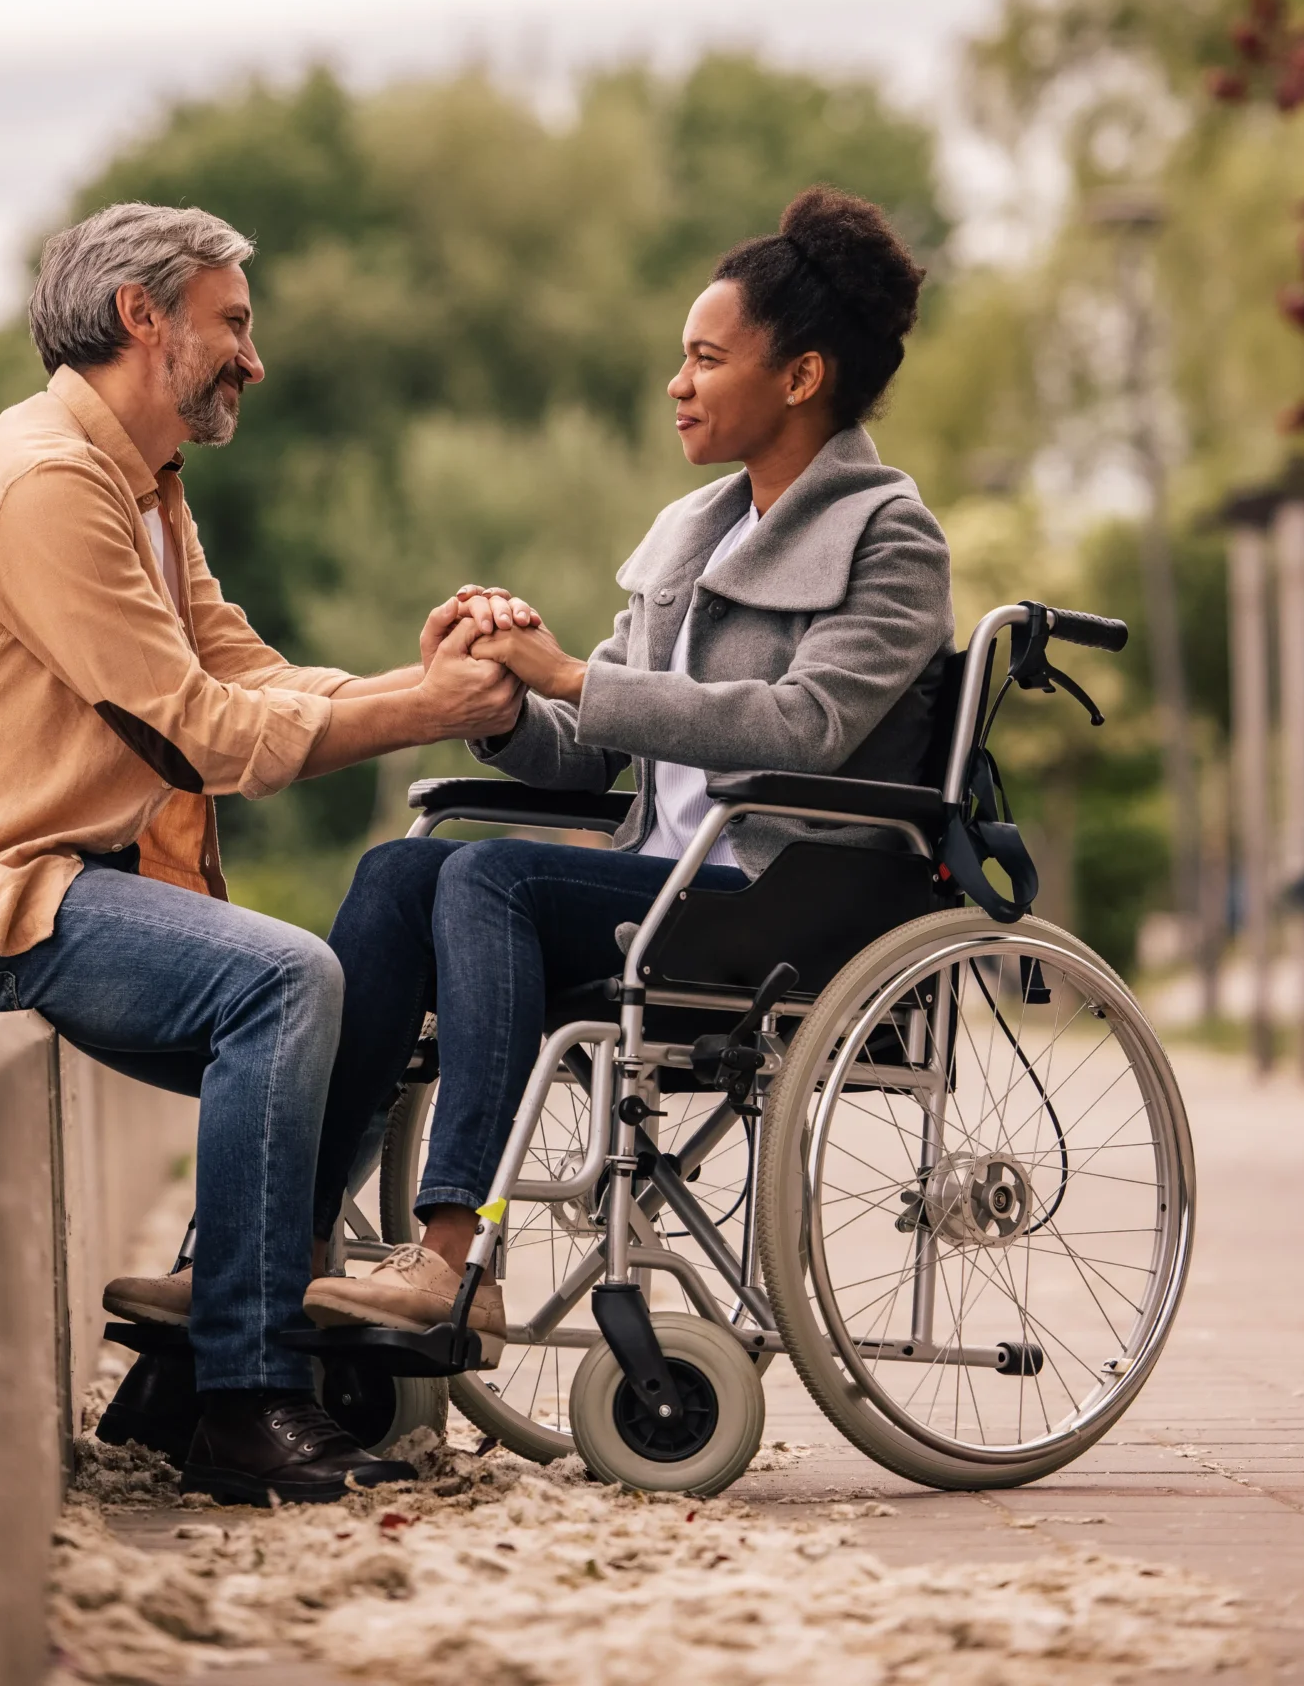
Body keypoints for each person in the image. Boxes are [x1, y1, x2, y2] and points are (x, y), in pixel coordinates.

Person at [0, 201, 522, 1506]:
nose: (253, 360)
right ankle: (246, 1399)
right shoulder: (45, 484)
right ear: (143, 318)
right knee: (282, 984)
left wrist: (424, 678)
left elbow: (253, 673)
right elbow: (207, 734)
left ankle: (172, 1376)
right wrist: (427, 710)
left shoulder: (143, 487)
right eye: (234, 324)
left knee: (364, 969)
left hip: (70, 887)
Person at [303, 185, 953, 1353]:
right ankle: (278, 1243)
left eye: (706, 358)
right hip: (661, 886)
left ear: (799, 377)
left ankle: (453, 1260)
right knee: (403, 876)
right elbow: (585, 745)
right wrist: (491, 689)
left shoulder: (890, 539)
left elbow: (805, 726)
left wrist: (568, 676)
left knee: (486, 878)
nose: (678, 382)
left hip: (783, 903)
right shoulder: (692, 534)